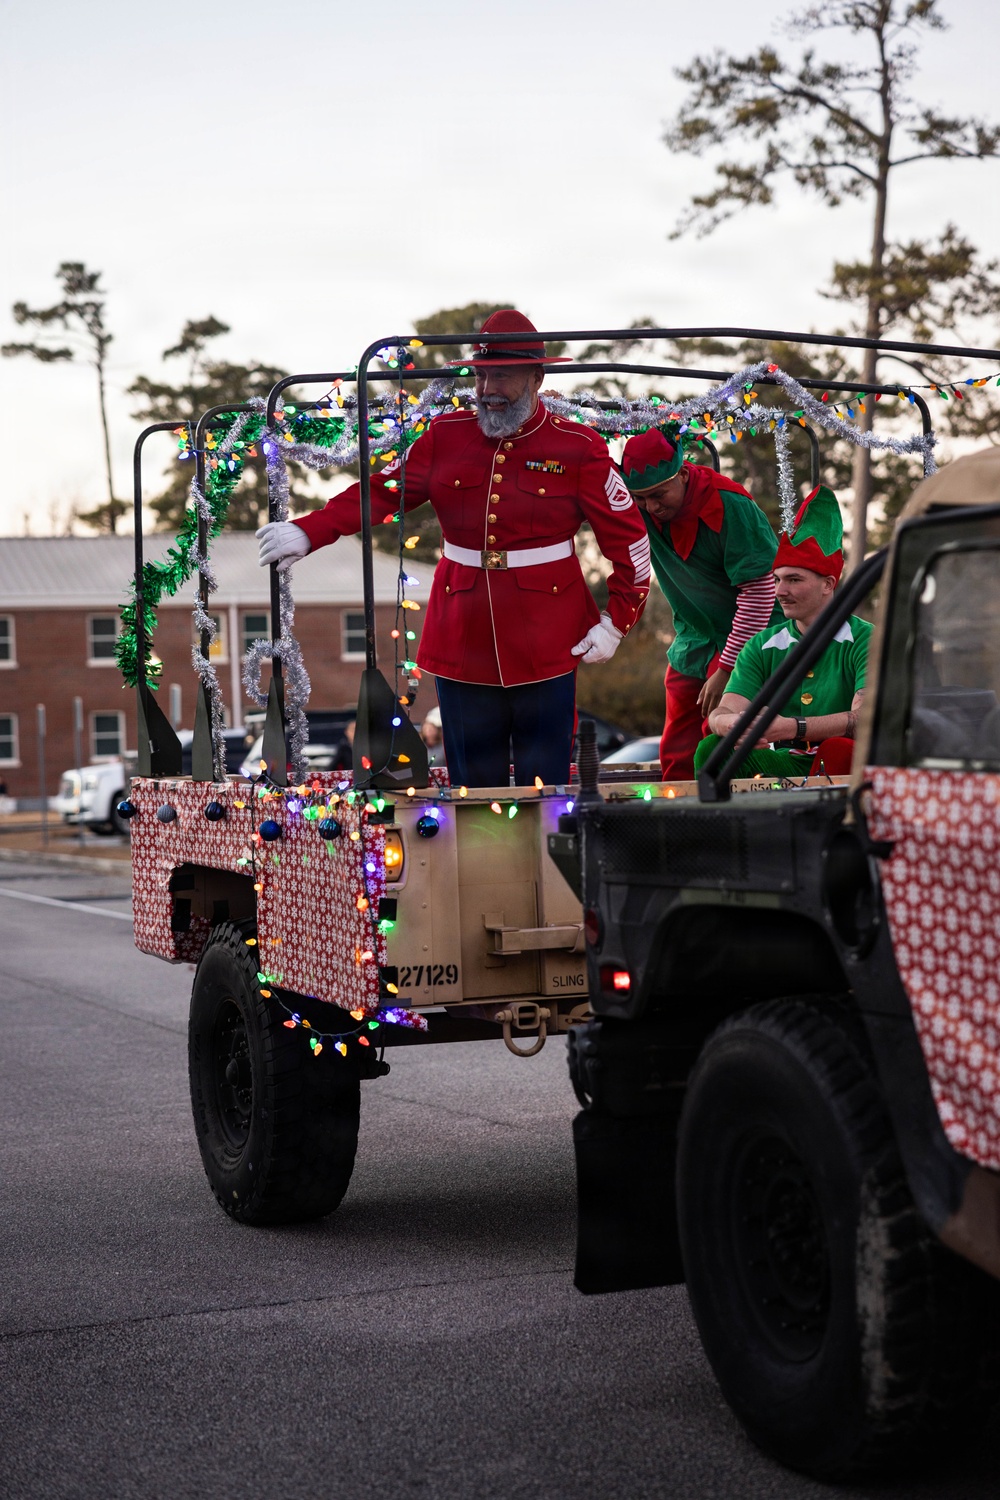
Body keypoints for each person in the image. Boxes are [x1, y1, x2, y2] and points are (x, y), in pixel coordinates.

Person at [257, 310, 651, 788]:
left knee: (545, 787)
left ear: (537, 377)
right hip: (462, 634)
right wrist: (311, 530)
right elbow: (381, 493)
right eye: (481, 374)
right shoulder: (445, 436)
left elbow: (628, 539)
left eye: (502, 374)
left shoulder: (577, 447)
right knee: (471, 786)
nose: (488, 388)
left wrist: (617, 621)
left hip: (549, 638)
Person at [620, 427, 780, 781]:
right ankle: (673, 822)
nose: (651, 507)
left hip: (751, 639)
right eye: (641, 498)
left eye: (658, 494)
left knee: (721, 740)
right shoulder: (639, 505)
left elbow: (759, 592)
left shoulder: (731, 505)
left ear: (682, 472)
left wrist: (728, 667)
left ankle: (721, 822)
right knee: (676, 746)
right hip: (695, 637)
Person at [694, 485, 869, 780]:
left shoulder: (866, 639)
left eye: (794, 580)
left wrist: (793, 726)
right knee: (712, 749)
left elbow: (865, 719)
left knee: (839, 749)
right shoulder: (761, 646)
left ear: (828, 584)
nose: (779, 591)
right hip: (785, 763)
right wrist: (729, 725)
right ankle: (730, 826)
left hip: (846, 772)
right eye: (777, 579)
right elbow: (723, 710)